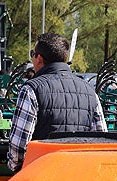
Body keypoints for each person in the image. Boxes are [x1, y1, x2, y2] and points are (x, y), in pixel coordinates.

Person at [6, 33, 107, 172]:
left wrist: (16, 168)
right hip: (78, 175)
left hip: (41, 176)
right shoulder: (90, 92)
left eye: (32, 54)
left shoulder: (31, 89)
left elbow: (19, 147)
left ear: (39, 58)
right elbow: (101, 141)